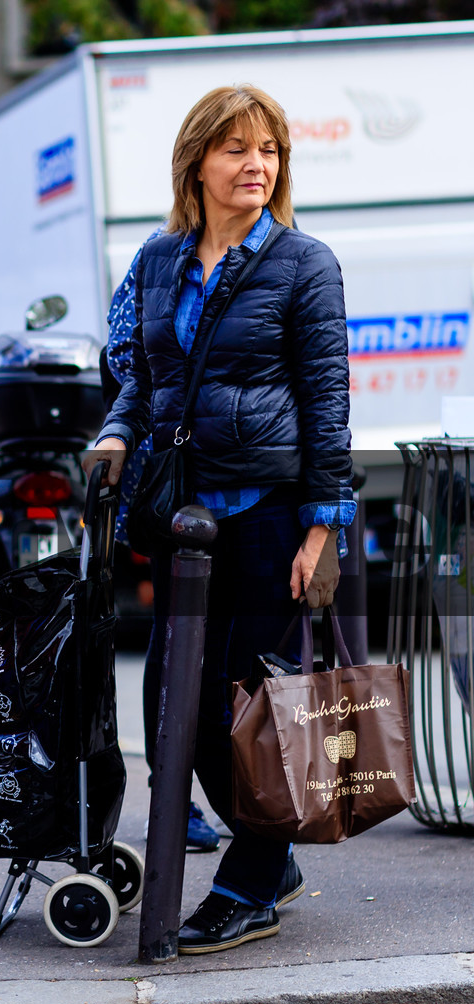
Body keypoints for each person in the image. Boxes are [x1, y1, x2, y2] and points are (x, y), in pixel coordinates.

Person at [84, 84, 351, 954]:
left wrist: (324, 529)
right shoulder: (162, 260)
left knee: (259, 708)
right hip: (184, 517)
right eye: (236, 148)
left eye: (269, 149)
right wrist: (120, 431)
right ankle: (269, 856)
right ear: (196, 161)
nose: (256, 165)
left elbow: (326, 401)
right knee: (180, 709)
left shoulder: (303, 262)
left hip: (268, 513)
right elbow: (147, 376)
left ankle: (247, 884)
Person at [103, 232, 222, 856]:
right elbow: (126, 354)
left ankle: (254, 801)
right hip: (171, 477)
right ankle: (172, 797)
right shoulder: (162, 254)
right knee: (173, 636)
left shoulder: (281, 254)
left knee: (242, 645)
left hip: (250, 477)